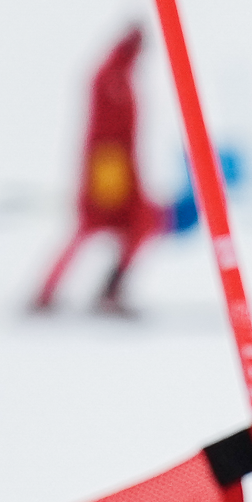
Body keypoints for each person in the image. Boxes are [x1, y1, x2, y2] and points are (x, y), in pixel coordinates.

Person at [33, 26, 162, 315]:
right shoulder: (111, 77)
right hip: (109, 169)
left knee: (137, 225)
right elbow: (108, 133)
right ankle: (53, 293)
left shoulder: (118, 76)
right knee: (99, 226)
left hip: (118, 166)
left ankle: (106, 290)